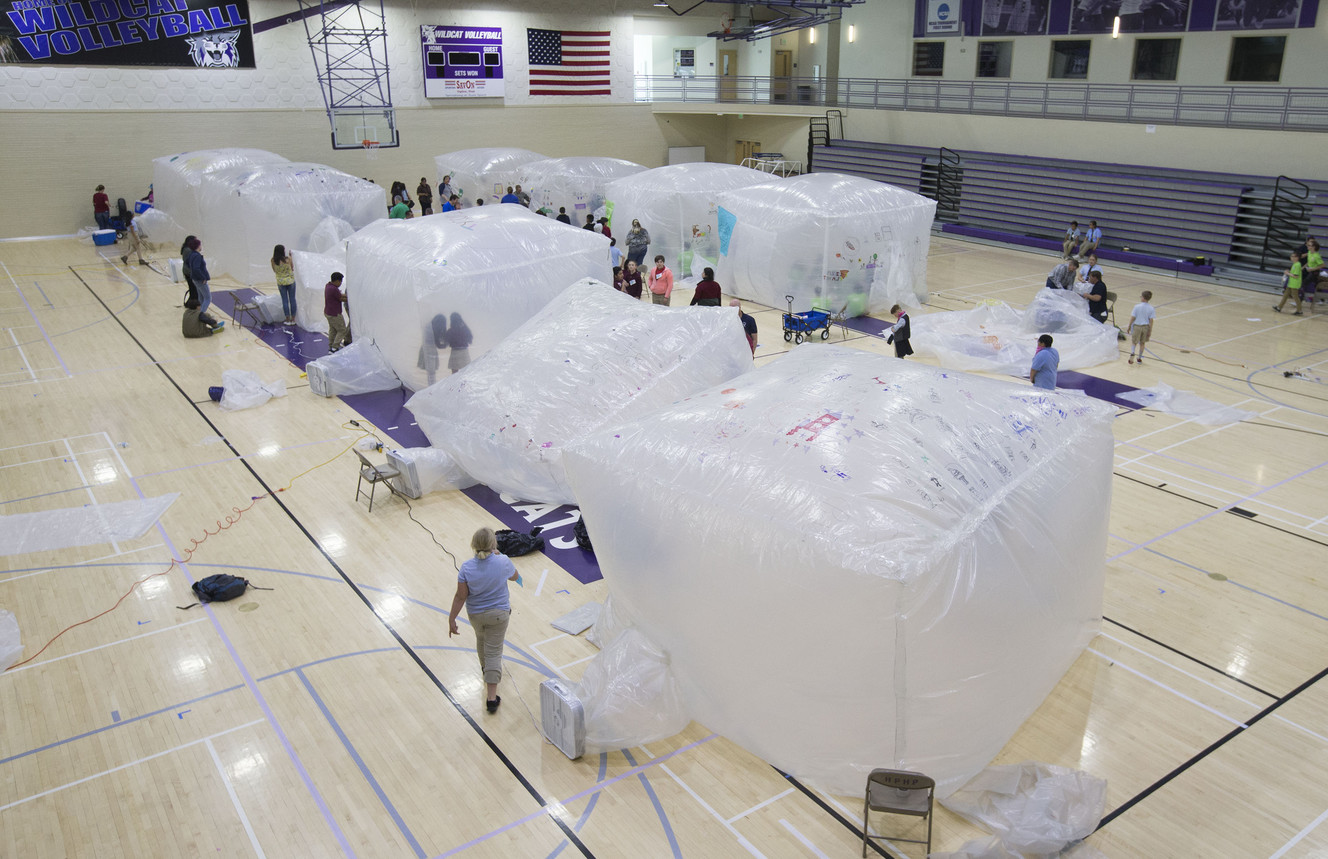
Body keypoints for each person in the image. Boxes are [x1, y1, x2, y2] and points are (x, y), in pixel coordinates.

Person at [448, 526, 522, 714]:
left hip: (476, 615)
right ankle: (491, 697)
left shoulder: (466, 567)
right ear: (493, 545)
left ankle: (486, 671)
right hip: (499, 615)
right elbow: (515, 577)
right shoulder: (503, 561)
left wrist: (452, 619)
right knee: (494, 652)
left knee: (481, 642)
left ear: (474, 546)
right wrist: (499, 557)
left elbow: (460, 596)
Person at [185, 237, 212, 317]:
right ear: (198, 246)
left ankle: (197, 313)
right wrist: (203, 277)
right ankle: (200, 316)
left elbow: (187, 263)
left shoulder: (191, 254)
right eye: (200, 245)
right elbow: (196, 268)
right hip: (199, 280)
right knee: (207, 298)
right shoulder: (197, 256)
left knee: (201, 298)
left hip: (195, 279)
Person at [1126, 290, 1155, 365]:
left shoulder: (1137, 307)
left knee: (1134, 342)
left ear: (1143, 298)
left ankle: (1132, 352)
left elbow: (1133, 317)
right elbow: (1151, 320)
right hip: (1145, 327)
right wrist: (1150, 330)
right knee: (1142, 343)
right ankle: (1139, 358)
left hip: (1137, 326)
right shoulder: (1151, 308)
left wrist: (1129, 326)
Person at [271, 244, 297, 325]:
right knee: (292, 299)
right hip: (290, 281)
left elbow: (274, 270)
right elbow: (292, 268)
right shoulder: (288, 259)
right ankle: (293, 319)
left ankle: (287, 319)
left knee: (285, 300)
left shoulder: (273, 260)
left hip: (281, 282)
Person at [325, 272, 349, 352]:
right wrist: (351, 298)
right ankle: (335, 347)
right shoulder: (334, 289)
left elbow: (340, 295)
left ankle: (331, 345)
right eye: (340, 281)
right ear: (337, 281)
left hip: (328, 312)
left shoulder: (328, 286)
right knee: (342, 330)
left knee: (333, 329)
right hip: (334, 313)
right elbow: (341, 298)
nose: (340, 283)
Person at [419, 313, 446, 385]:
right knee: (431, 371)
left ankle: (431, 386)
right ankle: (431, 387)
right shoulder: (432, 328)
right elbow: (438, 343)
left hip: (426, 349)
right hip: (430, 350)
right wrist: (445, 344)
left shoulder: (429, 326)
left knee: (430, 371)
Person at [1274, 251, 1303, 315]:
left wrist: (1287, 273)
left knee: (1295, 297)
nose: (1291, 257)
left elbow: (1296, 275)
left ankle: (1299, 310)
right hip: (1290, 283)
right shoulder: (1295, 264)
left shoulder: (1297, 265)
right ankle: (1279, 307)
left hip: (1294, 284)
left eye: (1293, 256)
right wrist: (1289, 271)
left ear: (1297, 257)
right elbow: (1293, 273)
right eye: (1291, 256)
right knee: (1285, 295)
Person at [1302, 238, 1322, 309]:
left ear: (1313, 247)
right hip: (1310, 271)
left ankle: (1299, 301)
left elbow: (1322, 265)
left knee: (1303, 284)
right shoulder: (1310, 253)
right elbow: (1308, 262)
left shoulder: (1317, 256)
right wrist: (1303, 267)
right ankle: (1320, 299)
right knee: (1317, 285)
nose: (1308, 246)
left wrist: (1312, 269)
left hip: (1315, 272)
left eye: (1309, 245)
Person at [180, 235, 199, 304]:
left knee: (192, 289)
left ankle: (190, 303)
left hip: (187, 271)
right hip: (189, 272)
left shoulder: (186, 249)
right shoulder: (188, 250)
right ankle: (193, 304)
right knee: (194, 289)